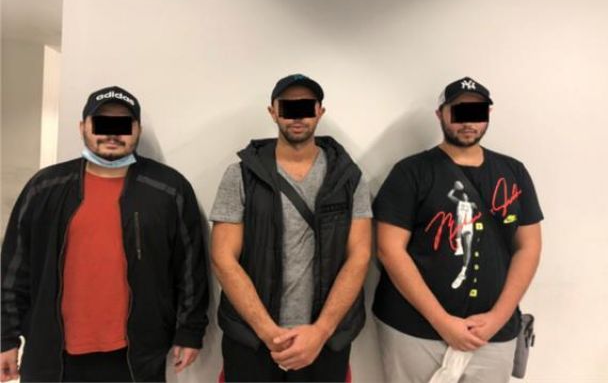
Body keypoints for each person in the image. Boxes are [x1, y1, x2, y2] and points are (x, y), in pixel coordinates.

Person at [0, 86, 209, 382]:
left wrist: (190, 331)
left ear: (137, 130)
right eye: (101, 124)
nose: (112, 134)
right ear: (82, 127)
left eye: (123, 124)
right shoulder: (45, 187)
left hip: (135, 357)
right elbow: (13, 267)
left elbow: (189, 268)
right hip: (52, 354)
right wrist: (5, 337)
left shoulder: (169, 189)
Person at [373, 77, 543, 383]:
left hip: (493, 333)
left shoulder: (513, 172)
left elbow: (528, 246)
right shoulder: (411, 172)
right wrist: (442, 321)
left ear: (488, 114)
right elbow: (389, 249)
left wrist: (498, 318)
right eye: (458, 112)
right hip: (415, 329)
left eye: (476, 113)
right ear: (440, 114)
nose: (468, 122)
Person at [210, 74, 372, 382]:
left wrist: (320, 331)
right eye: (288, 107)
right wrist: (269, 333)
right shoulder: (241, 175)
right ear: (273, 112)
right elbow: (223, 258)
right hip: (252, 340)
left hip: (325, 341)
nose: (297, 116)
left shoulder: (349, 178)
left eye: (306, 107)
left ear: (320, 112)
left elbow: (360, 256)